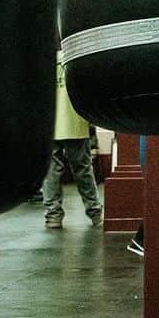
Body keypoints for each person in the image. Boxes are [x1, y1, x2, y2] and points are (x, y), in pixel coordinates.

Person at [42, 48, 103, 230]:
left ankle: (53, 215)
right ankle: (95, 212)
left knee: (51, 172)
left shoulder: (44, 59)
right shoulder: (76, 57)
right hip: (74, 120)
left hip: (50, 122)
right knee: (83, 170)